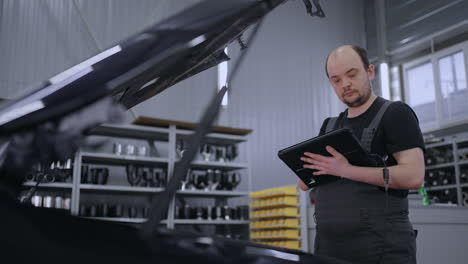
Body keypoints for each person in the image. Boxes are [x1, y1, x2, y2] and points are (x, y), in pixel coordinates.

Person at [297, 45, 425, 263]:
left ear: (370, 71)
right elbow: (304, 185)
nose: (345, 84)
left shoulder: (395, 113)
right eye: (336, 80)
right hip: (328, 247)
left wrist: (346, 170)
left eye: (351, 74)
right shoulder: (329, 126)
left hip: (381, 247)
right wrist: (304, 168)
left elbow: (414, 176)